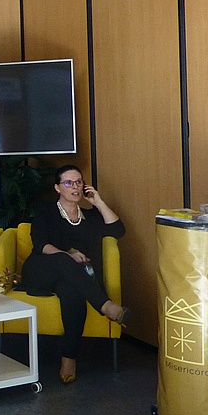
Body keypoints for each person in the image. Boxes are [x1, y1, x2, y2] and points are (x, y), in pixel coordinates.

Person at [20, 164, 129, 384]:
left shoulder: (89, 217)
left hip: (72, 277)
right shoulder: (45, 212)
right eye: (69, 183)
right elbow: (41, 245)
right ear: (57, 188)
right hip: (41, 270)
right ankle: (106, 306)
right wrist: (68, 255)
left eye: (79, 182)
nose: (75, 187)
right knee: (63, 259)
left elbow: (118, 230)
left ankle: (68, 358)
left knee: (71, 291)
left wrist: (98, 202)